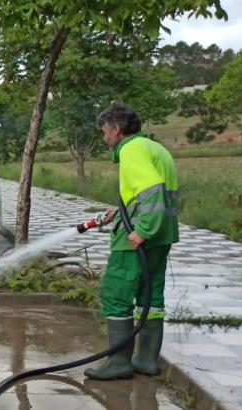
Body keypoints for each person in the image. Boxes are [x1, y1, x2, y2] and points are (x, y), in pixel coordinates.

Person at [85, 103, 179, 380]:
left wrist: (143, 230)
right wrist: (122, 210)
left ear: (116, 129)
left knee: (116, 294)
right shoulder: (154, 148)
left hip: (137, 240)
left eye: (104, 132)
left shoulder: (131, 149)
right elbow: (150, 193)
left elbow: (152, 190)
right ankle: (146, 359)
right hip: (162, 235)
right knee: (150, 297)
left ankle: (119, 363)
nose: (104, 138)